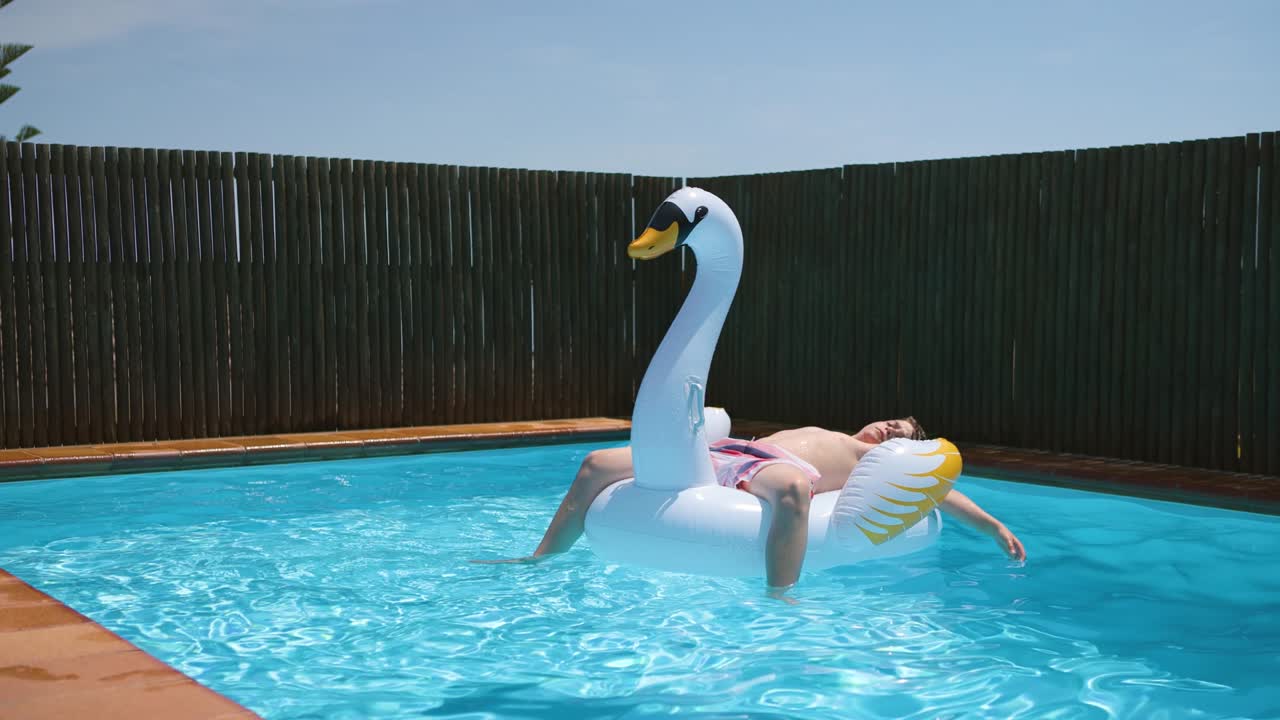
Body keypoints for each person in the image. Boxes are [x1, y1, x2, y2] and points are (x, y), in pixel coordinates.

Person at [478, 417, 1026, 591]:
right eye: (889, 419)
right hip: (726, 454)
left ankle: (778, 597)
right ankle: (541, 557)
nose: (888, 428)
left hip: (771, 473)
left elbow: (938, 489)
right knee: (598, 463)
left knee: (791, 493)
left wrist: (995, 527)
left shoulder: (870, 463)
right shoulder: (830, 428)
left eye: (900, 431)